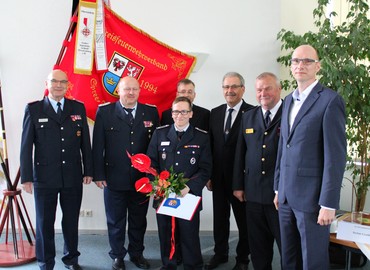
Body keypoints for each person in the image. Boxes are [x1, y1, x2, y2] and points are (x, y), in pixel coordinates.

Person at [273, 44, 347, 270]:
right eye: (296, 61)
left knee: (313, 261)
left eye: (307, 61)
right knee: (289, 259)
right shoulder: (287, 101)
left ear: (318, 66)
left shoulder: (330, 101)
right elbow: (283, 148)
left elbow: (335, 157)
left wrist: (328, 203)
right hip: (285, 197)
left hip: (313, 201)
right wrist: (278, 188)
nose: (300, 65)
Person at [20, 69, 93, 270]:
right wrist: (26, 177)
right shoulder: (34, 109)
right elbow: (26, 146)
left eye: (63, 82)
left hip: (72, 175)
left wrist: (88, 170)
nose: (58, 85)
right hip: (44, 177)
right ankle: (45, 261)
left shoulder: (78, 108)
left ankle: (71, 259)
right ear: (47, 83)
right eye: (54, 81)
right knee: (44, 222)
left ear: (68, 85)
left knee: (71, 220)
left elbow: (85, 143)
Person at [92, 76, 160, 270]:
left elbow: (154, 147)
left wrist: (153, 176)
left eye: (135, 89)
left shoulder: (151, 112)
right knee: (115, 220)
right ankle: (117, 256)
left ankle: (137, 254)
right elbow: (98, 146)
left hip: (142, 180)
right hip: (114, 177)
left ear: (139, 91)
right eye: (127, 89)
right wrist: (99, 174)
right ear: (118, 91)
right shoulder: (105, 112)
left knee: (139, 219)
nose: (131, 93)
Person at [146, 96, 212, 270]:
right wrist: (158, 183)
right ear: (171, 113)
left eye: (184, 111)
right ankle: (169, 264)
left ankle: (193, 265)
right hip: (164, 192)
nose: (179, 115)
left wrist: (188, 186)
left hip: (188, 193)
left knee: (189, 234)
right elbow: (151, 163)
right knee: (166, 232)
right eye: (176, 111)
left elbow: (206, 168)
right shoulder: (160, 133)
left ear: (190, 113)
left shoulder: (201, 137)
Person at [233, 72, 282, 270]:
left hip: (280, 195)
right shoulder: (249, 116)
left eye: (268, 88)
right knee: (258, 248)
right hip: (252, 194)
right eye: (259, 89)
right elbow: (240, 153)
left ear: (279, 89)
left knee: (287, 247)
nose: (263, 93)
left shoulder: (290, 113)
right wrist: (238, 185)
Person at [206, 72, 254, 270]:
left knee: (244, 222)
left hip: (241, 180)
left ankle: (242, 259)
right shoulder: (215, 113)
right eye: (226, 87)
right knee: (220, 219)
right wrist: (209, 175)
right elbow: (210, 146)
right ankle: (220, 253)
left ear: (243, 89)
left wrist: (243, 181)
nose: (230, 91)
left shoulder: (253, 113)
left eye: (234, 86)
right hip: (218, 178)